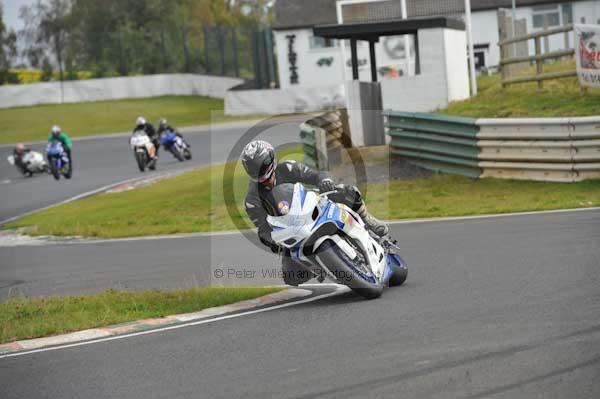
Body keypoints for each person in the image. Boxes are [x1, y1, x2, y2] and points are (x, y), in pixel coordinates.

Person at [241, 140, 388, 286]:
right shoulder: (252, 199)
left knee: (346, 191)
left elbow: (314, 175)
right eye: (253, 166)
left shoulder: (287, 168)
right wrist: (274, 242)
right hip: (291, 230)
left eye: (261, 164)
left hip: (312, 206)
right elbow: (263, 228)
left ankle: (367, 219)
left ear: (271, 159)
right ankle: (320, 266)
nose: (258, 169)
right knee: (291, 277)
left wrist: (325, 181)